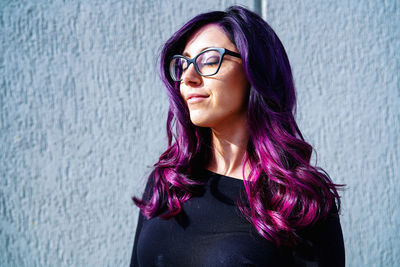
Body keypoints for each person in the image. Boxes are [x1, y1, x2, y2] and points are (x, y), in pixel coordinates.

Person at [130, 5, 345, 267]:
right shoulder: (168, 183)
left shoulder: (297, 201)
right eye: (182, 63)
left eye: (209, 60)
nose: (188, 77)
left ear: (256, 71)